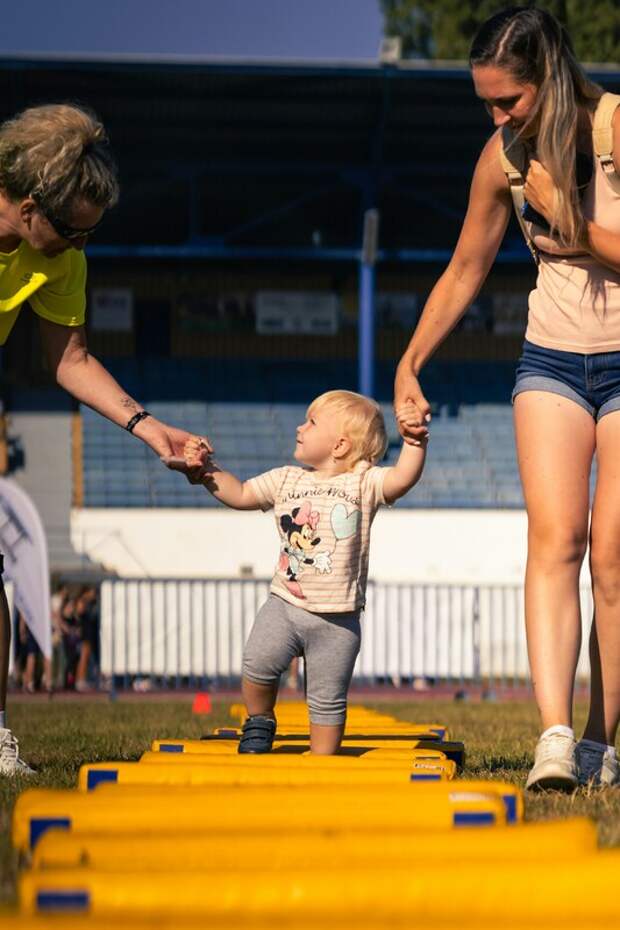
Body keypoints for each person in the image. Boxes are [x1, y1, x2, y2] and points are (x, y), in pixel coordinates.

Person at [394, 6, 620, 790]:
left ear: (549, 76)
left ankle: (601, 743)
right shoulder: (501, 160)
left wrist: (574, 224)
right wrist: (410, 361)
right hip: (551, 361)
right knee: (554, 543)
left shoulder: (615, 130)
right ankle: (554, 738)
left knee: (613, 560)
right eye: (486, 103)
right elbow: (465, 268)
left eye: (509, 101)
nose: (497, 119)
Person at [0, 103, 210, 774]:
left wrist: (151, 431)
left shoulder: (58, 255)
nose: (79, 246)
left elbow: (70, 359)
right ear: (29, 207)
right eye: (71, 231)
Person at [178, 390, 426, 754]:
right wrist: (205, 473)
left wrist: (415, 441)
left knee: (326, 703)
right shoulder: (286, 480)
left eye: (311, 422)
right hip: (285, 605)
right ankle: (260, 720)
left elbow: (402, 478)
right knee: (258, 664)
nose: (300, 426)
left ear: (340, 445)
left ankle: (321, 759)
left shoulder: (363, 482)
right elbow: (243, 493)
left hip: (337, 622)